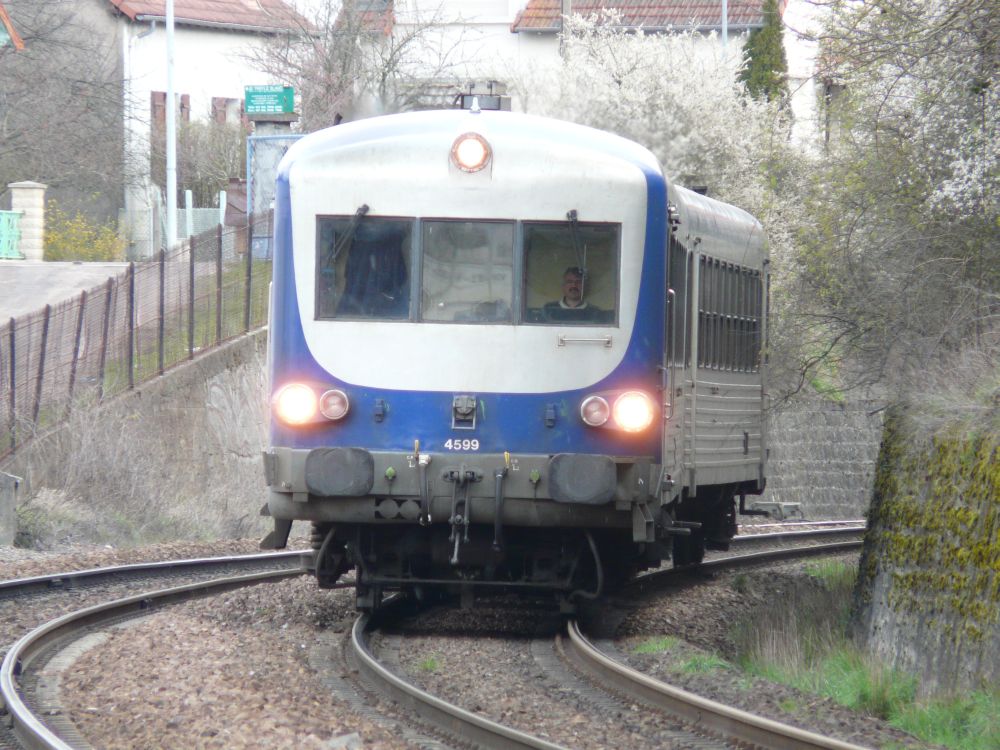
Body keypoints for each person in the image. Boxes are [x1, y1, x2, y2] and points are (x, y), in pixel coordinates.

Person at [543, 266, 611, 322]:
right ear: (563, 286)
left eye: (578, 282)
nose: (574, 285)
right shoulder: (549, 310)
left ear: (584, 286)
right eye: (570, 282)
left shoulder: (595, 313)